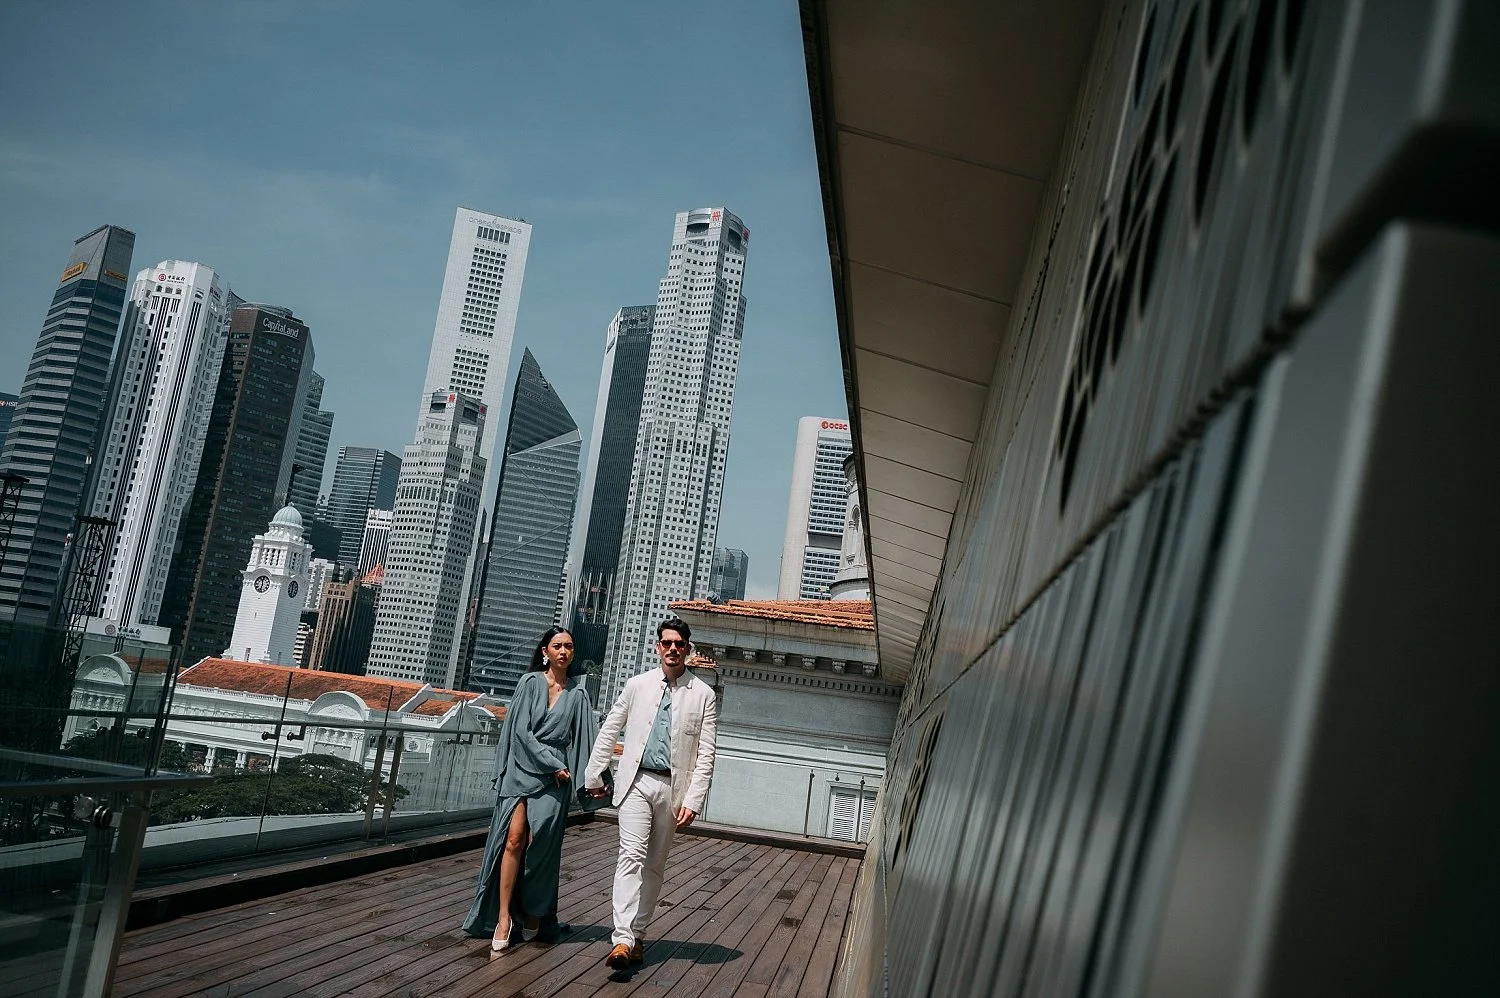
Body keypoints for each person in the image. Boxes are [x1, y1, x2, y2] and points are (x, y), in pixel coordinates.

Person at [584, 616, 718, 970]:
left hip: (674, 790)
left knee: (655, 865)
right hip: (636, 782)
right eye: (667, 643)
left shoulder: (703, 695)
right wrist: (594, 772)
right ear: (658, 646)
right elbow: (611, 727)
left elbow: (706, 753)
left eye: (679, 644)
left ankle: (638, 934)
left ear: (688, 650)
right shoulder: (637, 685)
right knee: (630, 855)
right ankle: (623, 939)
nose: (673, 649)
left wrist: (694, 799)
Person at [462, 627, 598, 951]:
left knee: (542, 846)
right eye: (557, 646)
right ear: (545, 652)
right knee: (513, 840)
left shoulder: (578, 695)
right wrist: (551, 761)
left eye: (569, 646)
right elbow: (520, 731)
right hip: (524, 768)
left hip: (557, 779)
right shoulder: (530, 683)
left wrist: (591, 781)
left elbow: (585, 742)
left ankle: (534, 907)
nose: (563, 651)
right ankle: (504, 916)